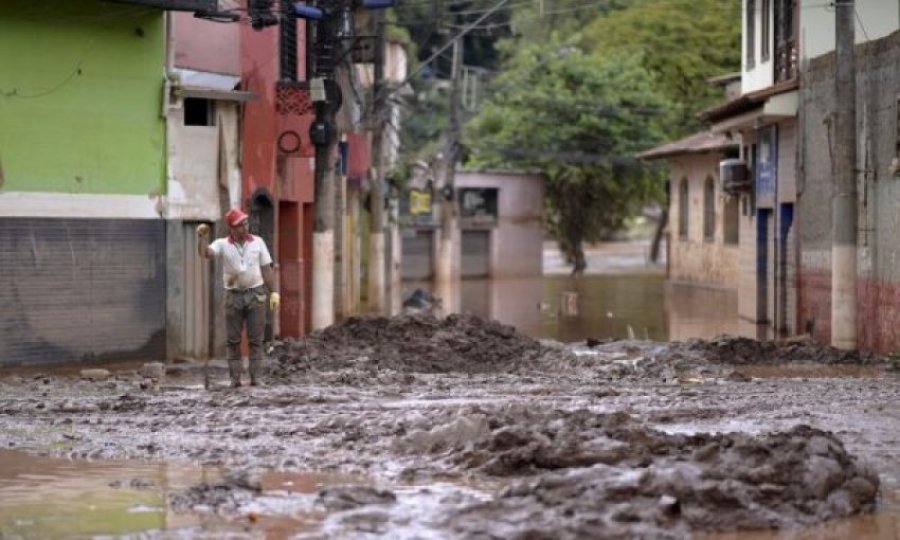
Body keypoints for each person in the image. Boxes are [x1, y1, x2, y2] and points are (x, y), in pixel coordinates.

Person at [196, 208, 280, 388]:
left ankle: (255, 378)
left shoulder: (258, 242)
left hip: (255, 294)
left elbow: (266, 268)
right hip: (233, 296)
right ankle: (235, 379)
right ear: (232, 228)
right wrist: (201, 238)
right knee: (233, 340)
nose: (245, 227)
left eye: (246, 223)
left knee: (256, 339)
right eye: (240, 225)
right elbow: (206, 254)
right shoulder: (222, 244)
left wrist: (274, 292)